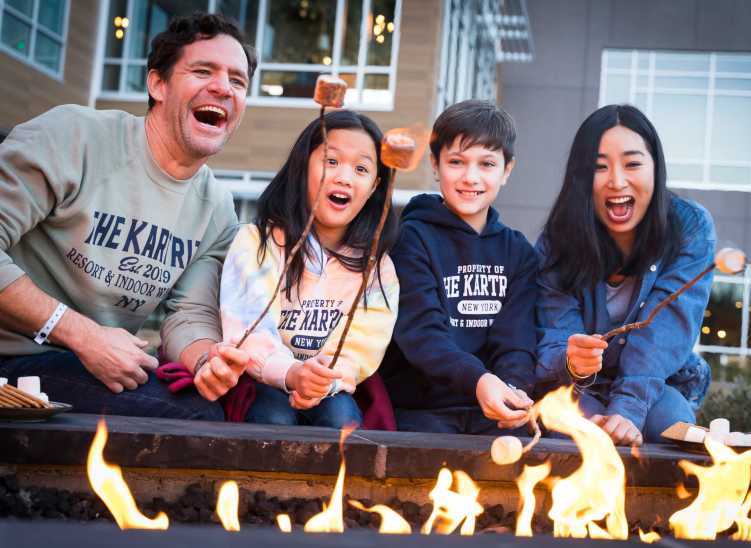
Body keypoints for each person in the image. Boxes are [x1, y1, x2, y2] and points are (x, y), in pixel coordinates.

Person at [0, 13, 257, 419]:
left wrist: (207, 361)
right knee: (194, 419)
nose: (224, 87)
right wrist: (82, 334)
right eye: (203, 71)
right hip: (15, 356)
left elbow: (188, 315)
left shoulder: (217, 209)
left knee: (218, 408)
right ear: (158, 84)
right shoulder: (74, 137)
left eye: (238, 81)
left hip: (87, 364)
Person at [535, 104, 715, 446]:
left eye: (632, 164)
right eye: (599, 167)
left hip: (656, 382)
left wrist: (628, 409)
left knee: (668, 427)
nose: (617, 181)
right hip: (575, 385)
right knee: (576, 435)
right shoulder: (557, 241)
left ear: (655, 167)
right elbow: (555, 335)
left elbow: (666, 333)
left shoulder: (689, 227)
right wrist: (573, 361)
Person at [217, 110, 399, 427]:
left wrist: (321, 380)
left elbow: (363, 345)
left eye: (361, 169)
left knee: (340, 417)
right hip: (261, 378)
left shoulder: (377, 266)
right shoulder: (257, 242)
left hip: (329, 386)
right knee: (274, 415)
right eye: (332, 161)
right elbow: (248, 328)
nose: (344, 177)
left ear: (374, 187)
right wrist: (291, 373)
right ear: (302, 168)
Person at [381, 100, 537, 435]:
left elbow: (517, 342)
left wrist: (512, 388)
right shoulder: (411, 239)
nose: (471, 177)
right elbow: (423, 335)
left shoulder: (519, 252)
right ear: (435, 165)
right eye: (456, 162)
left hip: (493, 409)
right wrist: (479, 381)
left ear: (507, 170)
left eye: (487, 164)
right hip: (421, 409)